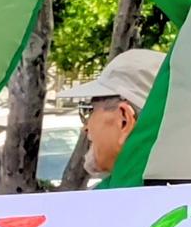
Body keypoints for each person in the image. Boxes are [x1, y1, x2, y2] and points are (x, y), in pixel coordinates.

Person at [64, 45, 161, 183]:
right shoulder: (182, 185)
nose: (85, 128)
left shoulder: (121, 193)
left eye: (90, 110)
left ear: (124, 120)